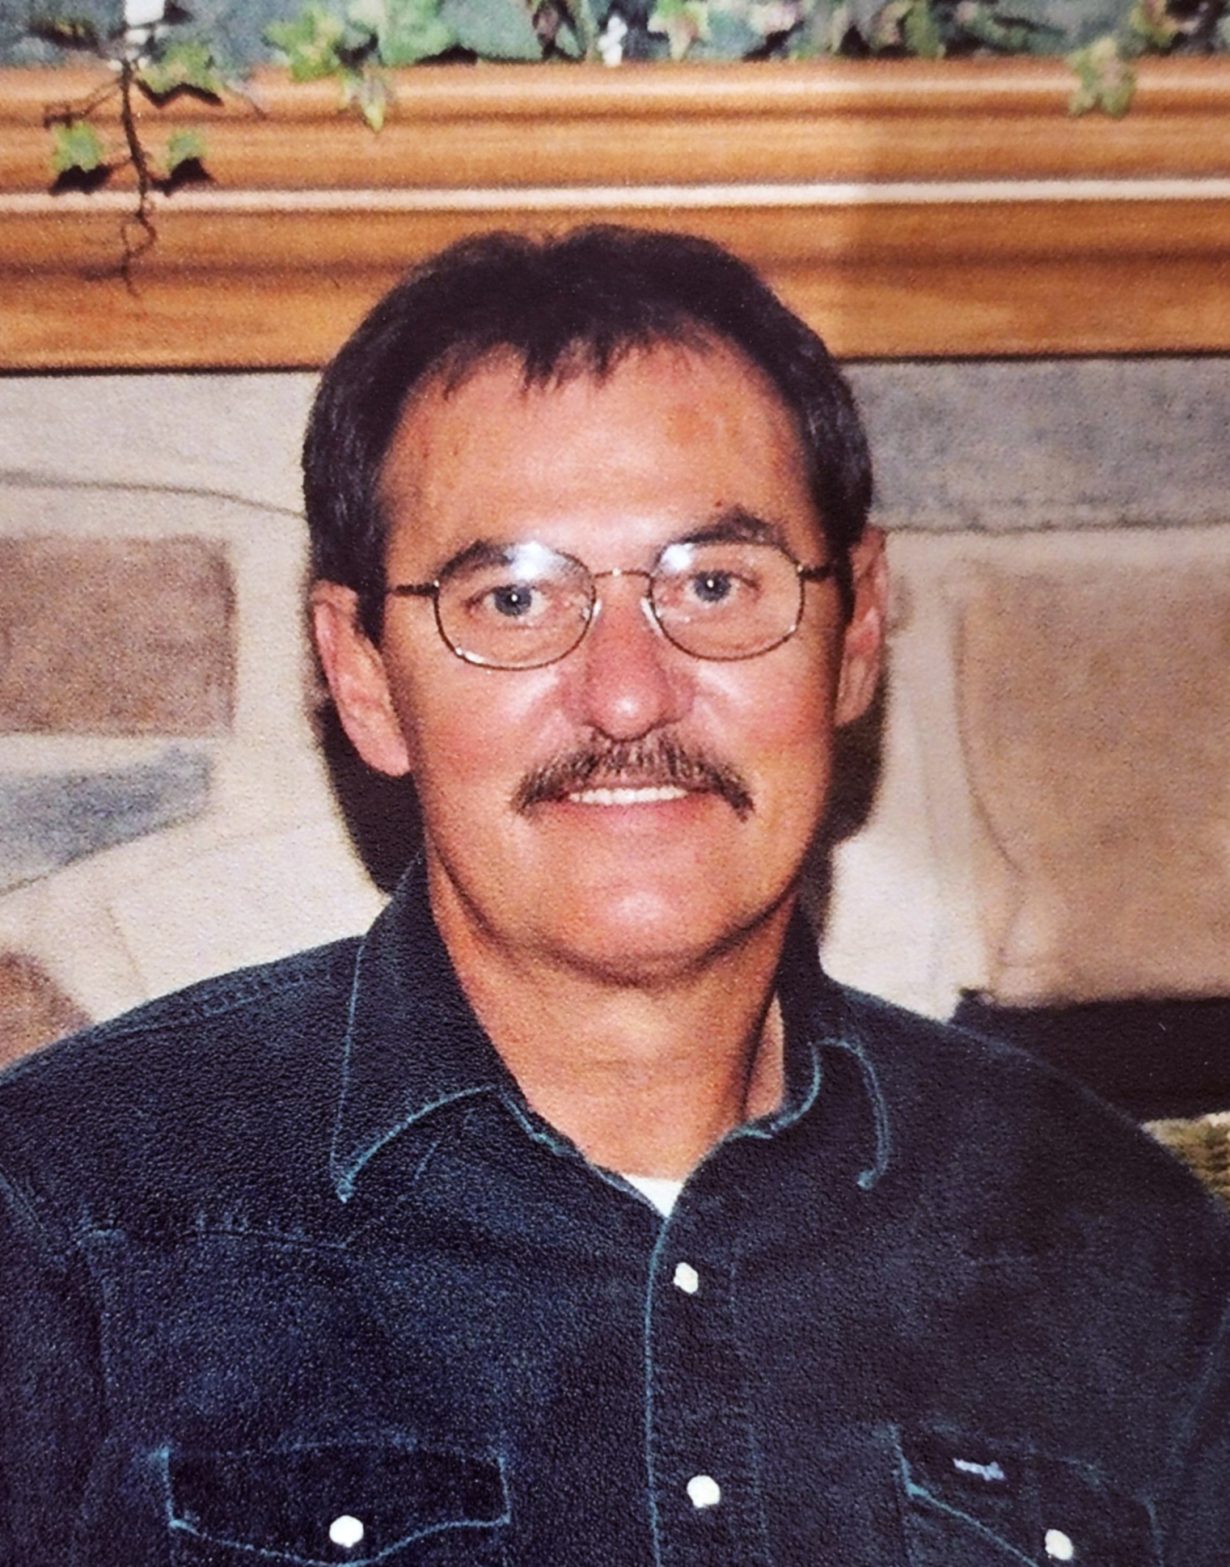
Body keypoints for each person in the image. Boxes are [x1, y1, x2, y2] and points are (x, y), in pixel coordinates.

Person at [1, 226, 1227, 1567]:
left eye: (714, 584)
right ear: (362, 674)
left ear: (857, 631)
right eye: (514, 600)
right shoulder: (63, 1222)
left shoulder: (1120, 1239)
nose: (630, 695)